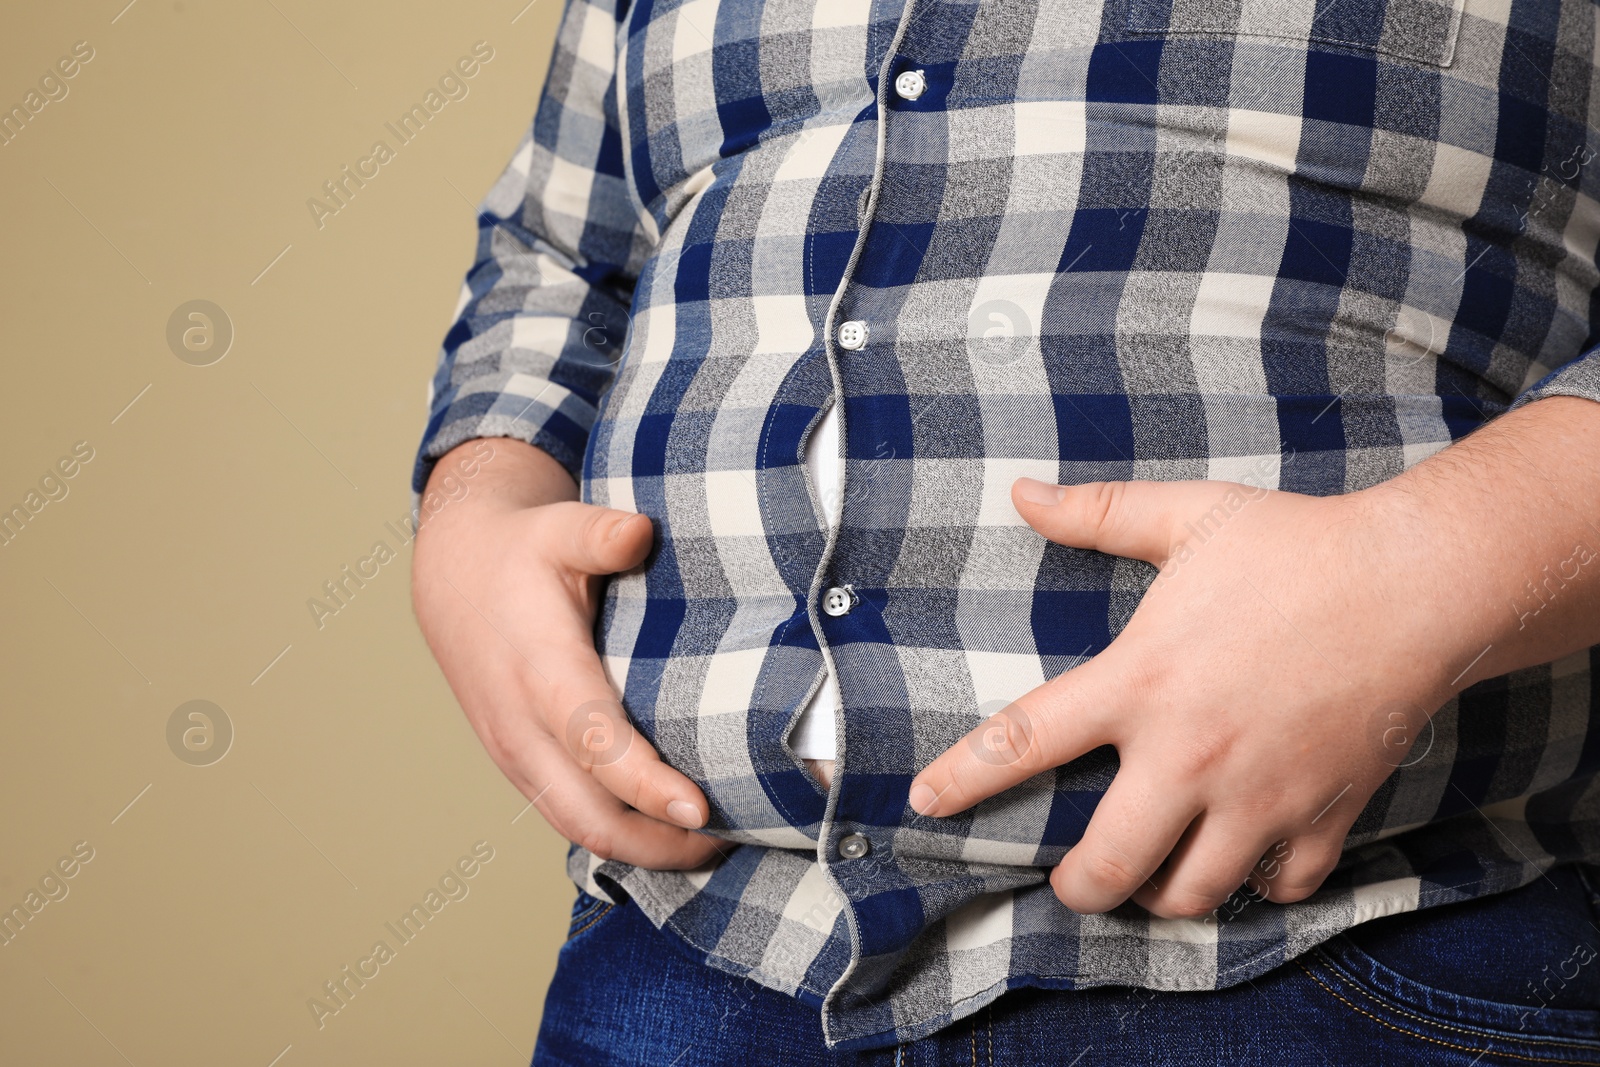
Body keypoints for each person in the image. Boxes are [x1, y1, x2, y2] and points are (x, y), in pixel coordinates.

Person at [411, 0, 1600, 1061]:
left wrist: (1419, 574)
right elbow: (561, 256)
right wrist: (477, 504)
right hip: (685, 955)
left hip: (1366, 958)